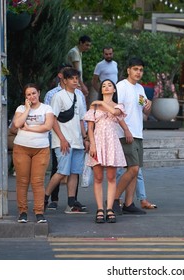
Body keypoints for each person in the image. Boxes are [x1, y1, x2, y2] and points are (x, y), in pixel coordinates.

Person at [44, 68, 89, 214]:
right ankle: (44, 198)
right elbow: (53, 120)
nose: (75, 81)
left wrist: (85, 138)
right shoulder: (58, 96)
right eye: (72, 78)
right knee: (62, 172)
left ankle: (71, 203)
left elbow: (81, 120)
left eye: (77, 78)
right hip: (63, 142)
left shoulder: (79, 96)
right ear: (64, 80)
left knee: (75, 172)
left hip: (77, 141)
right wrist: (62, 139)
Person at [113, 57, 152, 215]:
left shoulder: (140, 89)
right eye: (135, 69)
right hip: (124, 133)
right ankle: (114, 199)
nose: (138, 72)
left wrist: (149, 106)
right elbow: (116, 111)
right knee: (133, 168)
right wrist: (126, 130)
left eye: (141, 70)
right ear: (128, 70)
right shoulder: (121, 86)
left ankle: (129, 203)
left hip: (138, 133)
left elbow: (145, 111)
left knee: (135, 170)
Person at [84, 79, 127, 223]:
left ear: (114, 90)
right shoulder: (94, 109)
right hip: (98, 143)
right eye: (104, 86)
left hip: (112, 144)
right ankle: (100, 209)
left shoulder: (118, 106)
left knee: (111, 177)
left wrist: (102, 103)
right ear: (101, 90)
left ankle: (109, 208)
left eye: (110, 85)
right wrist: (92, 145)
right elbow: (90, 128)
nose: (107, 87)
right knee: (97, 178)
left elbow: (115, 112)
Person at [12, 83, 54, 223]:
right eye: (28, 94)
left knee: (38, 182)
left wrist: (29, 129)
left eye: (34, 93)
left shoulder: (47, 108)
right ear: (25, 97)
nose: (32, 96)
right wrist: (27, 109)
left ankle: (39, 212)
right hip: (21, 148)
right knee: (22, 181)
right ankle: (22, 212)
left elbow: (48, 126)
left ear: (39, 93)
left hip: (41, 149)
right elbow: (17, 124)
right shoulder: (21, 108)